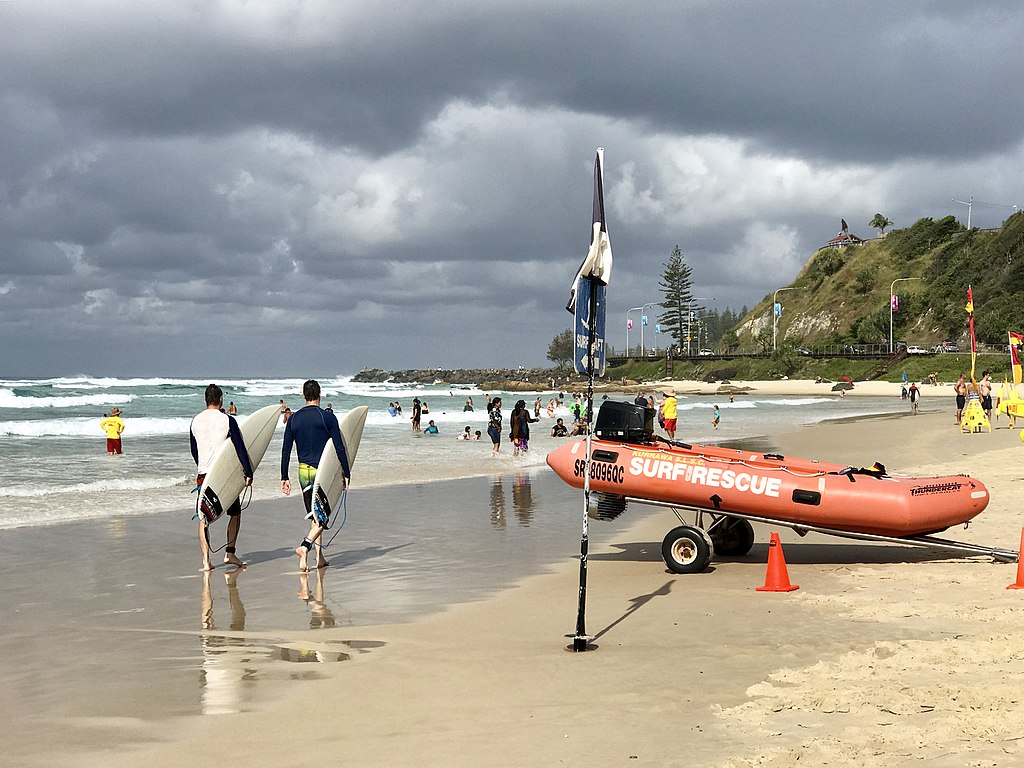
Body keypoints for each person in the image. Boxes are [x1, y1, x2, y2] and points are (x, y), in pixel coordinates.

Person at [281, 379, 351, 572]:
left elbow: (285, 450)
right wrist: (346, 471)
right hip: (323, 472)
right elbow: (339, 447)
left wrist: (284, 476)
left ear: (304, 396)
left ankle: (319, 558)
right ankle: (305, 546)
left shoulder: (293, 419)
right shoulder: (327, 418)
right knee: (323, 517)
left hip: (303, 472)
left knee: (315, 516)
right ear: (320, 394)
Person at [190, 384, 253, 571]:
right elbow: (239, 447)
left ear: (205, 400)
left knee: (203, 517)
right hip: (223, 475)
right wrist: (248, 472)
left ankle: (206, 562)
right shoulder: (227, 420)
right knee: (235, 513)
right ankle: (230, 553)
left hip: (204, 475)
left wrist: (202, 468)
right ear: (220, 399)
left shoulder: (195, 421)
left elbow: (194, 450)